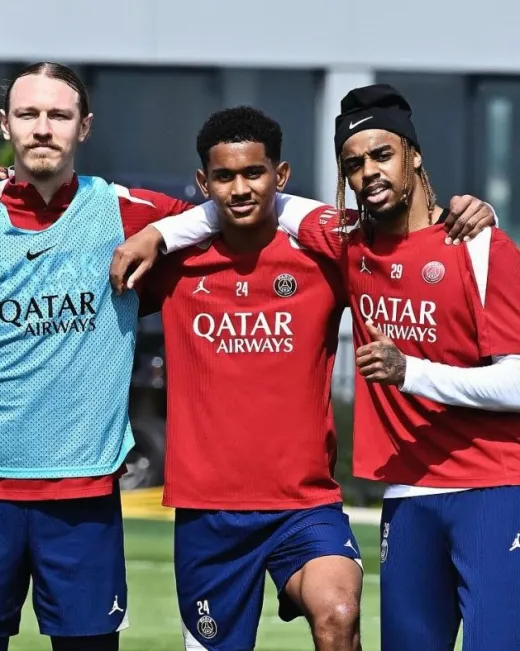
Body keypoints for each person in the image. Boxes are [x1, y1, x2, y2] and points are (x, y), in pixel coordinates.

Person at [116, 84, 518, 650]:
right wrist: (161, 230)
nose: (369, 172)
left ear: (414, 153)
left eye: (383, 155)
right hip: (396, 495)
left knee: (344, 611)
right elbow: (263, 204)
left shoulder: (466, 245)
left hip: (478, 488)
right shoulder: (347, 247)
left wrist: (413, 372)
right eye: (353, 163)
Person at [0, 62, 203, 651]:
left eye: (59, 115)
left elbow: (231, 206)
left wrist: (161, 236)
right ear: (3, 125)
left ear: (83, 127)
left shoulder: (131, 214)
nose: (43, 128)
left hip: (83, 495)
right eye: (28, 114)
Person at [132, 106, 362, 650]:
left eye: (254, 173)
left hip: (304, 505)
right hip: (208, 513)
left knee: (339, 611)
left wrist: (474, 212)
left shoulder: (323, 257)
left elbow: (395, 231)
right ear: (202, 182)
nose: (240, 188)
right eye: (224, 176)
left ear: (279, 177)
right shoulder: (172, 264)